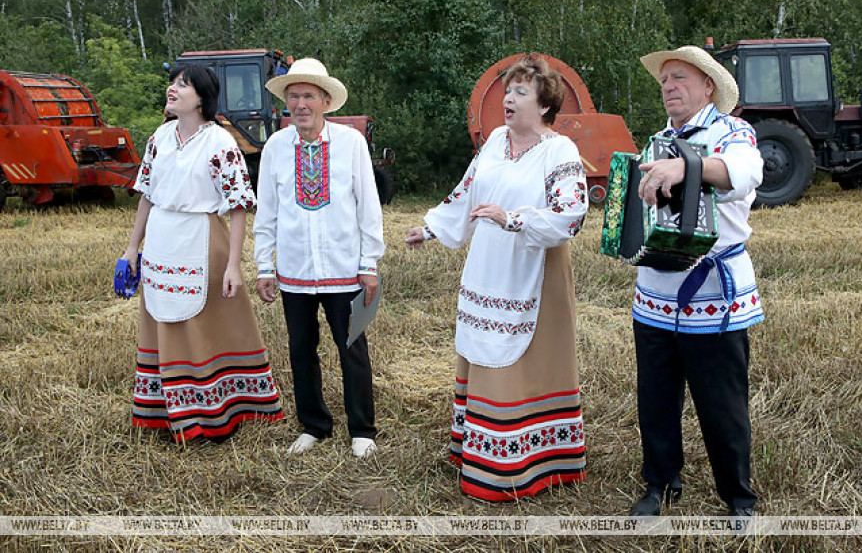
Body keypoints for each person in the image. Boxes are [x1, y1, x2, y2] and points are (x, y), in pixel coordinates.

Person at [406, 55, 589, 501]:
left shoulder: (559, 150)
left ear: (545, 105)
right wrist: (432, 227)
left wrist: (513, 219)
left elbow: (572, 213)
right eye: (508, 90)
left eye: (520, 92)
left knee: (522, 359)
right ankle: (482, 451)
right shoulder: (494, 142)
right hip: (488, 265)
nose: (508, 98)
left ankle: (527, 462)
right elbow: (467, 193)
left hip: (533, 269)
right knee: (483, 348)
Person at [628, 45, 765, 516]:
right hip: (654, 294)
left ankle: (739, 498)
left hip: (713, 294)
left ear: (708, 85)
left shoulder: (733, 132)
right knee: (656, 401)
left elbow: (744, 175)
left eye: (679, 77)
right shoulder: (653, 142)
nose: (668, 87)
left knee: (721, 405)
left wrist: (687, 166)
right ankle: (660, 485)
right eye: (664, 80)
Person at [122, 63, 283, 442]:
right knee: (164, 320)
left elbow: (239, 205)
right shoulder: (158, 139)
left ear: (202, 99)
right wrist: (132, 248)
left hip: (201, 238)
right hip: (162, 241)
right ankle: (168, 412)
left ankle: (213, 415)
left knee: (204, 325)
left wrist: (234, 265)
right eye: (173, 82)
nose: (172, 89)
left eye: (184, 85)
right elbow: (146, 196)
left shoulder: (221, 143)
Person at [253, 58, 385, 458]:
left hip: (345, 268)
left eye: (309, 95)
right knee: (300, 348)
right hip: (294, 271)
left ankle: (362, 430)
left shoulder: (350, 143)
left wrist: (369, 263)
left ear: (326, 101)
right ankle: (314, 424)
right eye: (293, 96)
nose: (301, 104)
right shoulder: (276, 147)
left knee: (352, 347)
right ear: (285, 104)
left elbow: (368, 207)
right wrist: (263, 265)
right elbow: (267, 211)